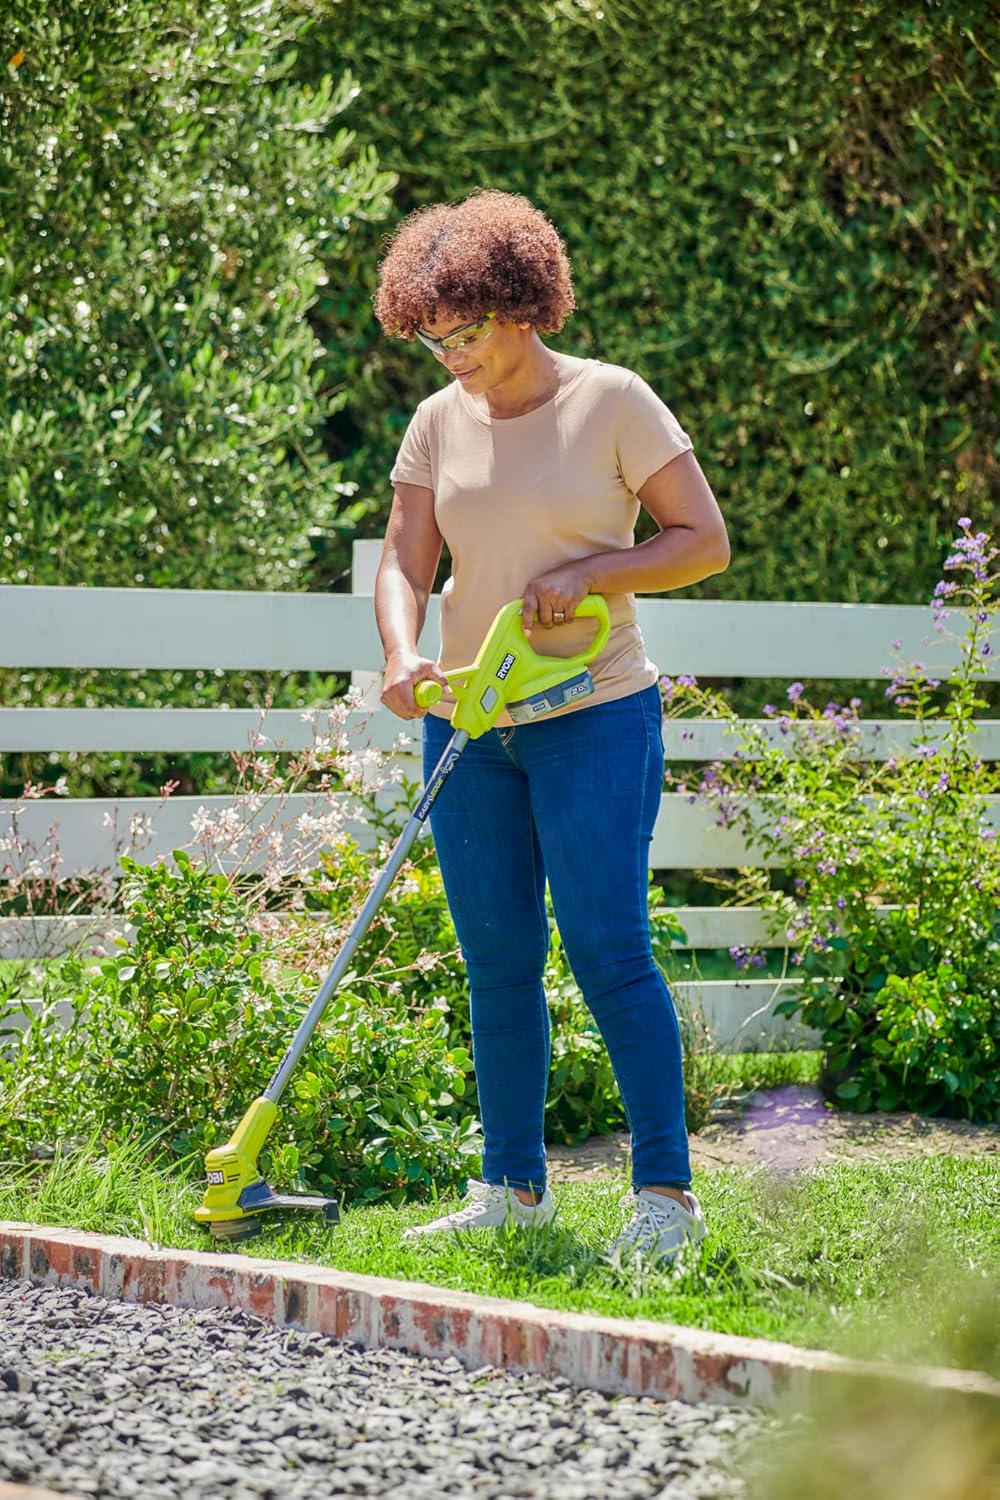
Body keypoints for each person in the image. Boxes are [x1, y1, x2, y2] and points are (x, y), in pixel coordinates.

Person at [371, 188, 730, 1263]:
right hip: (473, 724)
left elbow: (699, 540)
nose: (450, 357)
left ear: (522, 302)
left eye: (466, 332)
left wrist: (592, 573)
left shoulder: (613, 402)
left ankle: (665, 1197)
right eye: (433, 338)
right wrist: (400, 654)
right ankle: (511, 1189)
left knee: (609, 950)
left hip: (596, 717)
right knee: (496, 959)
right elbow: (404, 557)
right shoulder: (440, 420)